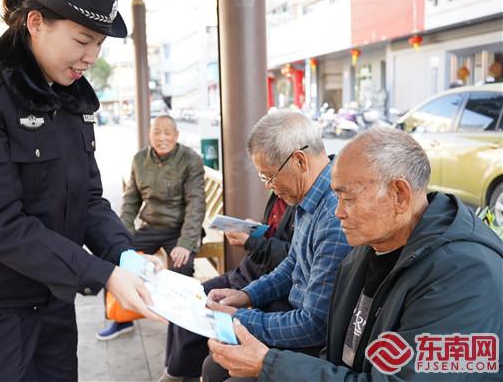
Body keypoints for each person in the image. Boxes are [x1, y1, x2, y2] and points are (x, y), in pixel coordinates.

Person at [0, 0, 162, 381]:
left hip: (52, 287)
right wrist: (104, 274)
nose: (91, 57)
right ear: (36, 22)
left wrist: (124, 254)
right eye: (82, 40)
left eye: (99, 44)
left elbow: (89, 198)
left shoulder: (70, 96)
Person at [208, 127, 503, 382]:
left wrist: (269, 363)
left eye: (348, 198)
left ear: (399, 194)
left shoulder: (463, 275)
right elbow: (336, 352)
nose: (338, 212)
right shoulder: (368, 245)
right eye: (336, 196)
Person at [202, 110, 351, 382]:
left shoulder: (334, 214)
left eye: (268, 176)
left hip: (315, 346)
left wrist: (240, 319)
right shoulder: (307, 196)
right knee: (214, 364)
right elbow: (291, 265)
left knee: (219, 366)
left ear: (299, 160)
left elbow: (315, 326)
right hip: (295, 316)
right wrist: (246, 296)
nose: (270, 187)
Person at [160, 192, 295, 382]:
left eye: (268, 175)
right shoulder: (278, 192)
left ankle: (178, 373)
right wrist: (256, 231)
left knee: (202, 314)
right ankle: (175, 371)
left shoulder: (304, 202)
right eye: (263, 175)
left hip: (261, 281)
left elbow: (289, 264)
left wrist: (252, 242)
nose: (267, 183)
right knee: (187, 298)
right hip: (246, 273)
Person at [97, 115, 206, 340]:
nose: (162, 137)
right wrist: (122, 237)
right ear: (150, 135)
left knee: (181, 265)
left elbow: (196, 205)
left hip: (179, 229)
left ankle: (180, 328)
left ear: (176, 136)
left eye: (167, 132)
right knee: (114, 257)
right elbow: (131, 201)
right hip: (151, 225)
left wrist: (186, 244)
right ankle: (121, 319)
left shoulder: (190, 159)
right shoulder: (139, 159)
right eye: (157, 132)